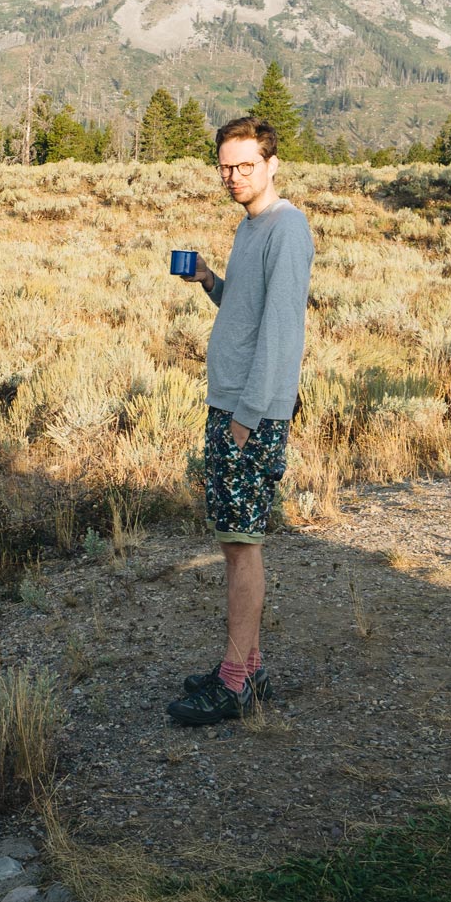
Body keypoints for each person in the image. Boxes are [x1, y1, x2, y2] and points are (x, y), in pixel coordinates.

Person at [166, 116, 314, 726]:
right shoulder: (249, 227)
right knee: (234, 541)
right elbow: (248, 308)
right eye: (226, 167)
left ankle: (234, 681)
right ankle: (246, 668)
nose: (233, 176)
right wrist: (208, 281)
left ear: (271, 164)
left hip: (248, 414)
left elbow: (282, 332)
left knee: (243, 544)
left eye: (245, 166)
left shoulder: (287, 227)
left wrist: (246, 421)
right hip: (229, 406)